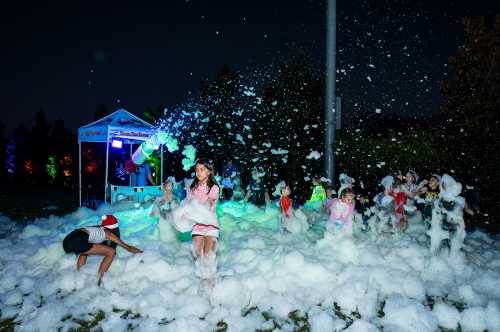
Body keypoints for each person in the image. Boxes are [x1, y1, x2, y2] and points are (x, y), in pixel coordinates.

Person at [172, 159, 220, 285]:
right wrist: (182, 215)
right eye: (197, 170)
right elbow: (188, 205)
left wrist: (192, 208)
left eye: (202, 170)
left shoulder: (214, 188)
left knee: (208, 255)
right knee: (198, 253)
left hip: (211, 224)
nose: (198, 172)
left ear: (209, 172)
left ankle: (211, 282)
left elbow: (207, 205)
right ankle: (203, 279)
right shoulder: (192, 187)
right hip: (197, 225)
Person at [62, 215, 142, 286]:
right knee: (111, 252)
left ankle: (80, 277)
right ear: (114, 228)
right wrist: (142, 253)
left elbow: (82, 245)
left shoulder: (95, 228)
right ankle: (100, 280)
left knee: (85, 251)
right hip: (79, 241)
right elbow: (128, 248)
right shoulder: (109, 234)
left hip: (67, 241)